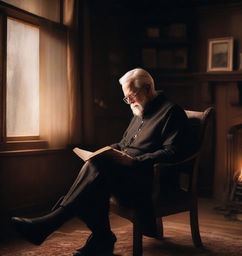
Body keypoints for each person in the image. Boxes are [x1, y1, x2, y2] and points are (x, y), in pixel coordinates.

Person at [11, 68, 196, 256]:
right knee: (95, 165)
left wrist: (134, 162)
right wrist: (105, 152)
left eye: (132, 95)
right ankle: (99, 237)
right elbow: (124, 144)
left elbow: (172, 153)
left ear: (148, 89)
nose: (130, 101)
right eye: (127, 97)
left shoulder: (172, 112)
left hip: (151, 179)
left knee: (95, 175)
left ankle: (69, 228)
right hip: (126, 174)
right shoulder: (140, 110)